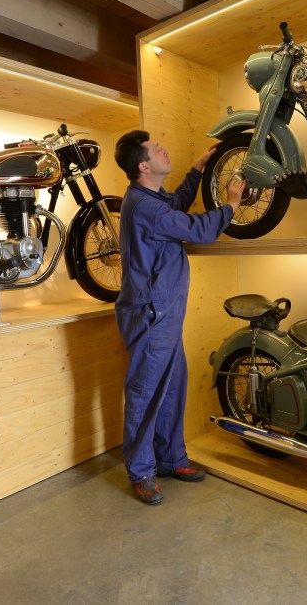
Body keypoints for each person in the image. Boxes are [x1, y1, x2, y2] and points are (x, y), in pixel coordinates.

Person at [113, 130, 246, 505]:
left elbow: (177, 204)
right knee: (144, 394)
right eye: (157, 149)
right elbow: (198, 229)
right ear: (144, 165)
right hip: (151, 313)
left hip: (164, 312)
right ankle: (141, 471)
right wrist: (232, 205)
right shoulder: (144, 207)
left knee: (171, 389)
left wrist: (197, 171)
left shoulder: (150, 200)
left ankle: (171, 459)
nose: (164, 149)